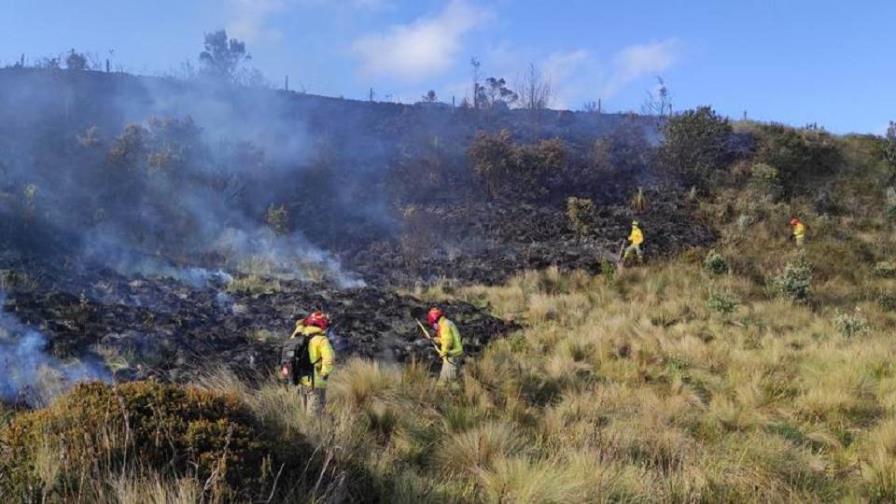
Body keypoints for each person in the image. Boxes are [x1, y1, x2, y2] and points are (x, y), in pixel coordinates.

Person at [290, 311, 335, 415]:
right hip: (316, 383)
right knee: (315, 416)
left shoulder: (297, 336)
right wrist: (324, 374)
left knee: (303, 413)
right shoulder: (321, 340)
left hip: (300, 381)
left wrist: (301, 324)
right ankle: (314, 431)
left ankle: (303, 431)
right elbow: (329, 359)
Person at [427, 307, 463, 382]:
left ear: (434, 320)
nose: (433, 326)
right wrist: (437, 340)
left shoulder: (444, 325)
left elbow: (448, 341)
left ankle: (447, 392)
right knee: (450, 379)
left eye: (433, 323)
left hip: (452, 355)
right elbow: (446, 338)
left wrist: (443, 352)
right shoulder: (446, 323)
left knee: (446, 381)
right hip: (454, 353)